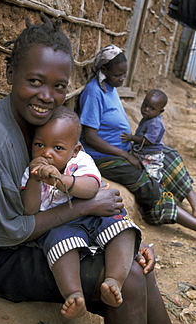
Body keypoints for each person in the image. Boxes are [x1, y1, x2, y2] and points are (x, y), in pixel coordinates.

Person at [0, 14, 176, 324]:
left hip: (30, 234)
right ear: (9, 74)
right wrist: (86, 207)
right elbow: (10, 232)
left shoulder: (40, 127)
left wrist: (119, 236)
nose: (47, 96)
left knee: (134, 266)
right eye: (35, 81)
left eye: (59, 86)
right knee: (127, 278)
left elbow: (61, 194)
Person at [20, 106, 141, 319]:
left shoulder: (81, 161)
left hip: (94, 216)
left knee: (122, 225)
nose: (46, 153)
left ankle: (114, 279)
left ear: (74, 150)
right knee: (59, 246)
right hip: (62, 225)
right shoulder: (30, 173)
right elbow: (28, 210)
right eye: (39, 145)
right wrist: (34, 179)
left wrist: (60, 180)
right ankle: (73, 294)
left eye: (57, 148)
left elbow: (91, 188)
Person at [79, 44, 196, 230]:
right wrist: (126, 155)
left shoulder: (110, 87)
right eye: (118, 75)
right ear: (103, 69)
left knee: (169, 155)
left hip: (124, 149)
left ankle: (194, 205)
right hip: (104, 158)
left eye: (124, 74)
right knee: (146, 183)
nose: (123, 78)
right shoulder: (94, 93)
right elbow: (91, 138)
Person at [121, 89, 168, 182]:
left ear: (160, 111)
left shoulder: (155, 123)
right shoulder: (148, 118)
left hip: (151, 155)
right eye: (145, 105)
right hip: (142, 151)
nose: (146, 109)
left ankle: (155, 187)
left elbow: (148, 141)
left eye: (152, 108)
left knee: (152, 173)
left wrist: (131, 138)